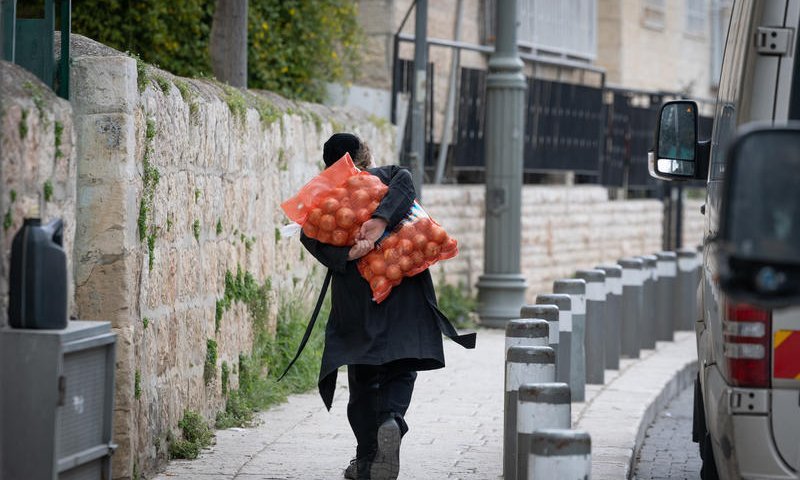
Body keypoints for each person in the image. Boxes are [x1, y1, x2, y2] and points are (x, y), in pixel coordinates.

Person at [298, 133, 476, 480]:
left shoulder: (324, 202)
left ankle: (366, 461)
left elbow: (308, 235)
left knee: (364, 377)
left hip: (356, 297)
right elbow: (406, 180)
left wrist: (347, 254)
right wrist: (381, 219)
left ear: (330, 166)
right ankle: (391, 419)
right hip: (405, 289)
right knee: (402, 366)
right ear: (365, 156)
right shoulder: (387, 175)